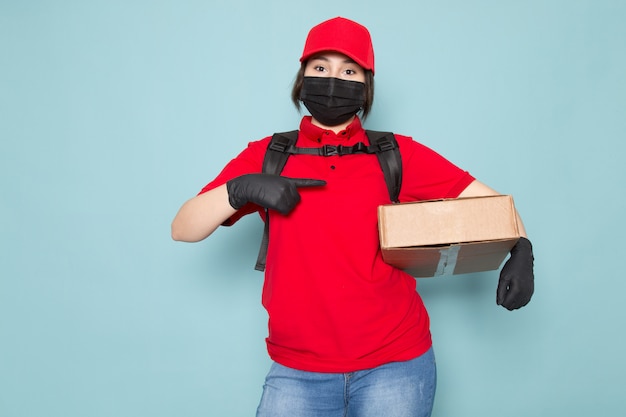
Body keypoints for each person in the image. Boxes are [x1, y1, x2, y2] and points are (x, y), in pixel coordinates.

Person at [171, 16, 534, 417]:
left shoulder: (396, 154)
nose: (332, 79)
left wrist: (521, 248)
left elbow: (494, 206)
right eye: (320, 68)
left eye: (348, 70)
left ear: (365, 86)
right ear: (302, 79)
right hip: (297, 370)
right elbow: (183, 228)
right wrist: (241, 189)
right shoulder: (267, 155)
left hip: (396, 364)